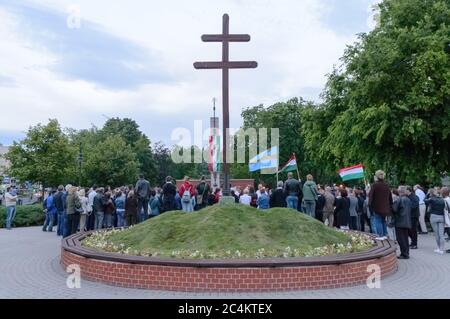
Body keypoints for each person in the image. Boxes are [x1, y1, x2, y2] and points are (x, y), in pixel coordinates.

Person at [368, 170, 392, 238]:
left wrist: (370, 206)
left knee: (378, 221)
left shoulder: (375, 185)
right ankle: (385, 234)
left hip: (377, 207)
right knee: (383, 221)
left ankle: (380, 236)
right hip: (385, 207)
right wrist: (390, 205)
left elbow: (370, 196)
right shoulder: (386, 185)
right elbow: (390, 197)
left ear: (376, 176)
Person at [391, 186, 412, 259]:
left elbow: (394, 209)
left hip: (400, 221)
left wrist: (392, 204)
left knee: (400, 239)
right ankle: (406, 253)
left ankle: (404, 254)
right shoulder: (408, 199)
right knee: (405, 238)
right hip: (407, 221)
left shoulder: (399, 199)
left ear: (399, 192)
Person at [425, 188, 446, 254]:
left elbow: (424, 200)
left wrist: (427, 194)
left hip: (433, 217)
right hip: (442, 217)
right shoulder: (442, 199)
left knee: (436, 234)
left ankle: (438, 248)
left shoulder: (431, 199)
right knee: (441, 234)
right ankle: (442, 250)